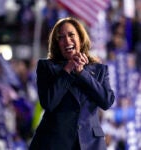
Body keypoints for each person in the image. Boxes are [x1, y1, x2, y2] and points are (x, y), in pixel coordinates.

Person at [29, 17, 115, 150]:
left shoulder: (99, 69)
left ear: (80, 38)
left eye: (71, 35)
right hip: (55, 143)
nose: (67, 40)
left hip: (90, 143)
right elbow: (48, 103)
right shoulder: (47, 67)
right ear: (57, 44)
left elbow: (107, 101)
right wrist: (67, 70)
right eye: (61, 38)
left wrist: (82, 74)